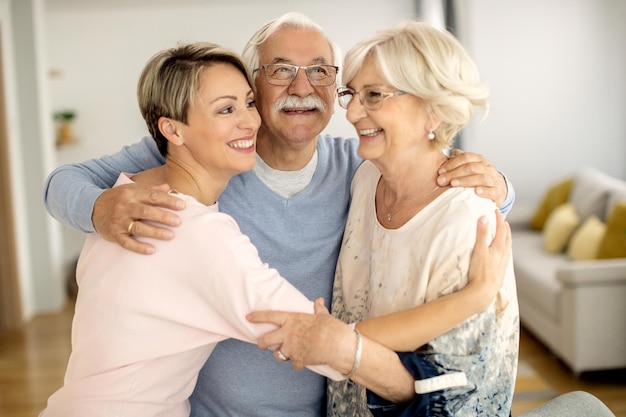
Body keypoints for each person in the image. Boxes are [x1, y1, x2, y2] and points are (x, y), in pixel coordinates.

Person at [42, 12, 515, 417]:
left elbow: (429, 187)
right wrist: (97, 206)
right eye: (281, 69)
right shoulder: (191, 160)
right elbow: (63, 181)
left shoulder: (360, 166)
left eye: (321, 71)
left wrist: (495, 190)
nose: (302, 87)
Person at [248, 21, 519, 417]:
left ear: (434, 110)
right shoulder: (363, 176)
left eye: (374, 95)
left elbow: (458, 395)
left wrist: (331, 341)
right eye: (353, 94)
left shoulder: (467, 221)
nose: (354, 112)